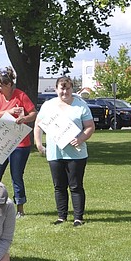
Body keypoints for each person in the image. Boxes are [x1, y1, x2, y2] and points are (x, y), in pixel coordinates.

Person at [35, 76, 95, 226]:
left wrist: (81, 138)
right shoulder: (48, 106)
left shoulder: (81, 106)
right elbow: (38, 125)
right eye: (62, 88)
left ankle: (78, 217)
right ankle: (61, 216)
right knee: (59, 186)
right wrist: (38, 144)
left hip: (76, 153)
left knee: (75, 185)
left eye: (68, 88)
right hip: (55, 153)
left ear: (72, 89)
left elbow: (90, 126)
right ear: (56, 89)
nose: (65, 91)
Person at [0, 66, 37, 215]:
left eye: (0, 85)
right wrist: (8, 112)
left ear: (8, 84)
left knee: (16, 176)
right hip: (0, 141)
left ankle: (20, 208)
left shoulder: (20, 95)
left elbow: (33, 113)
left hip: (20, 144)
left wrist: (24, 118)